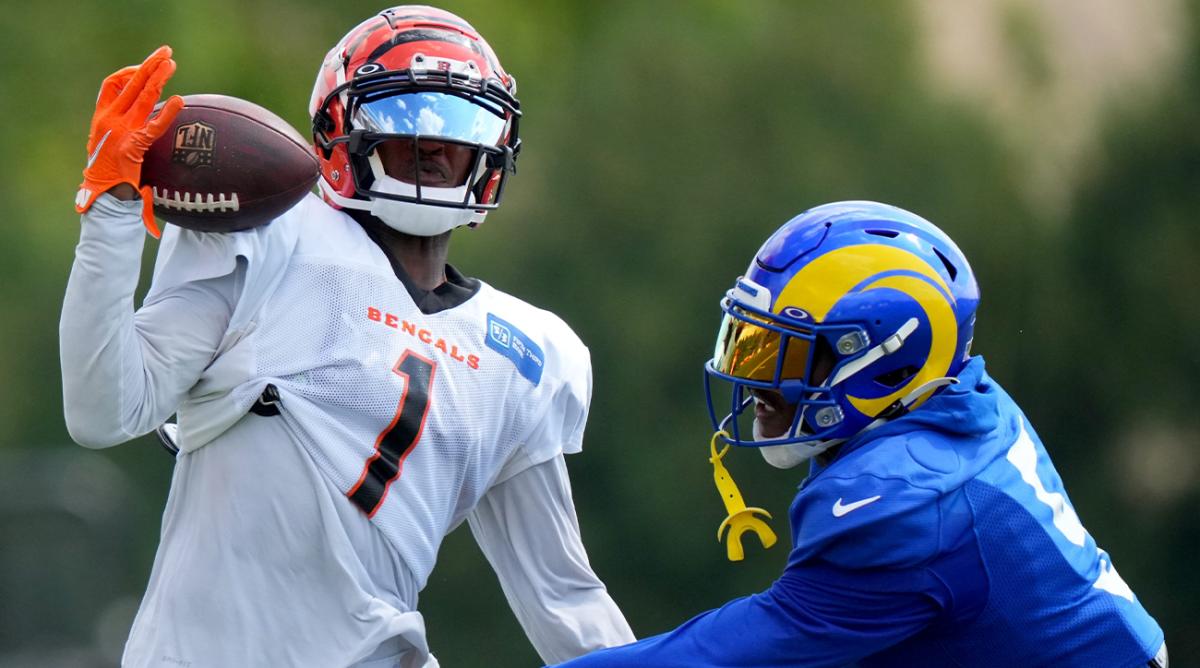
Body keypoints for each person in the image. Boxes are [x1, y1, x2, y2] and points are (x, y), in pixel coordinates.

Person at [60, 6, 634, 667]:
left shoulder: (527, 351)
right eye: (407, 125)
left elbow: (564, 599)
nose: (435, 147)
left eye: (459, 127)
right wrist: (111, 213)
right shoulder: (272, 233)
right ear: (342, 133)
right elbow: (103, 411)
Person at [552, 201, 1167, 668]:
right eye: (752, 345)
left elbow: (724, 656)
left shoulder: (904, 501)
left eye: (785, 355)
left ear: (889, 360)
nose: (754, 380)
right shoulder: (953, 401)